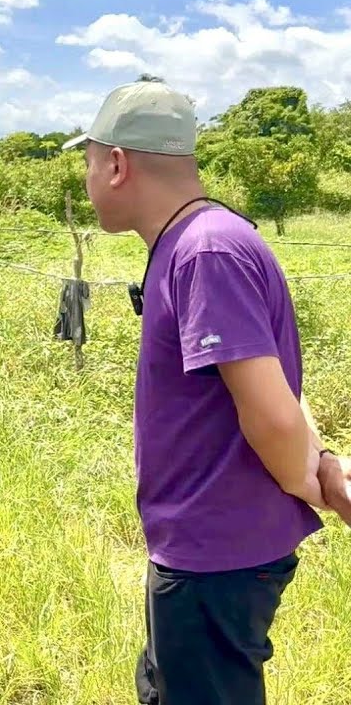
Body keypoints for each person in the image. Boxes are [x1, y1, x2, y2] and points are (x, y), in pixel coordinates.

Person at [64, 76, 344, 705]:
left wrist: (312, 480)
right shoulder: (199, 240)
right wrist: (321, 464)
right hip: (205, 544)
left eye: (87, 163)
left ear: (116, 163)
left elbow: (272, 413)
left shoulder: (204, 251)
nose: (86, 182)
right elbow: (275, 385)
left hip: (216, 552)